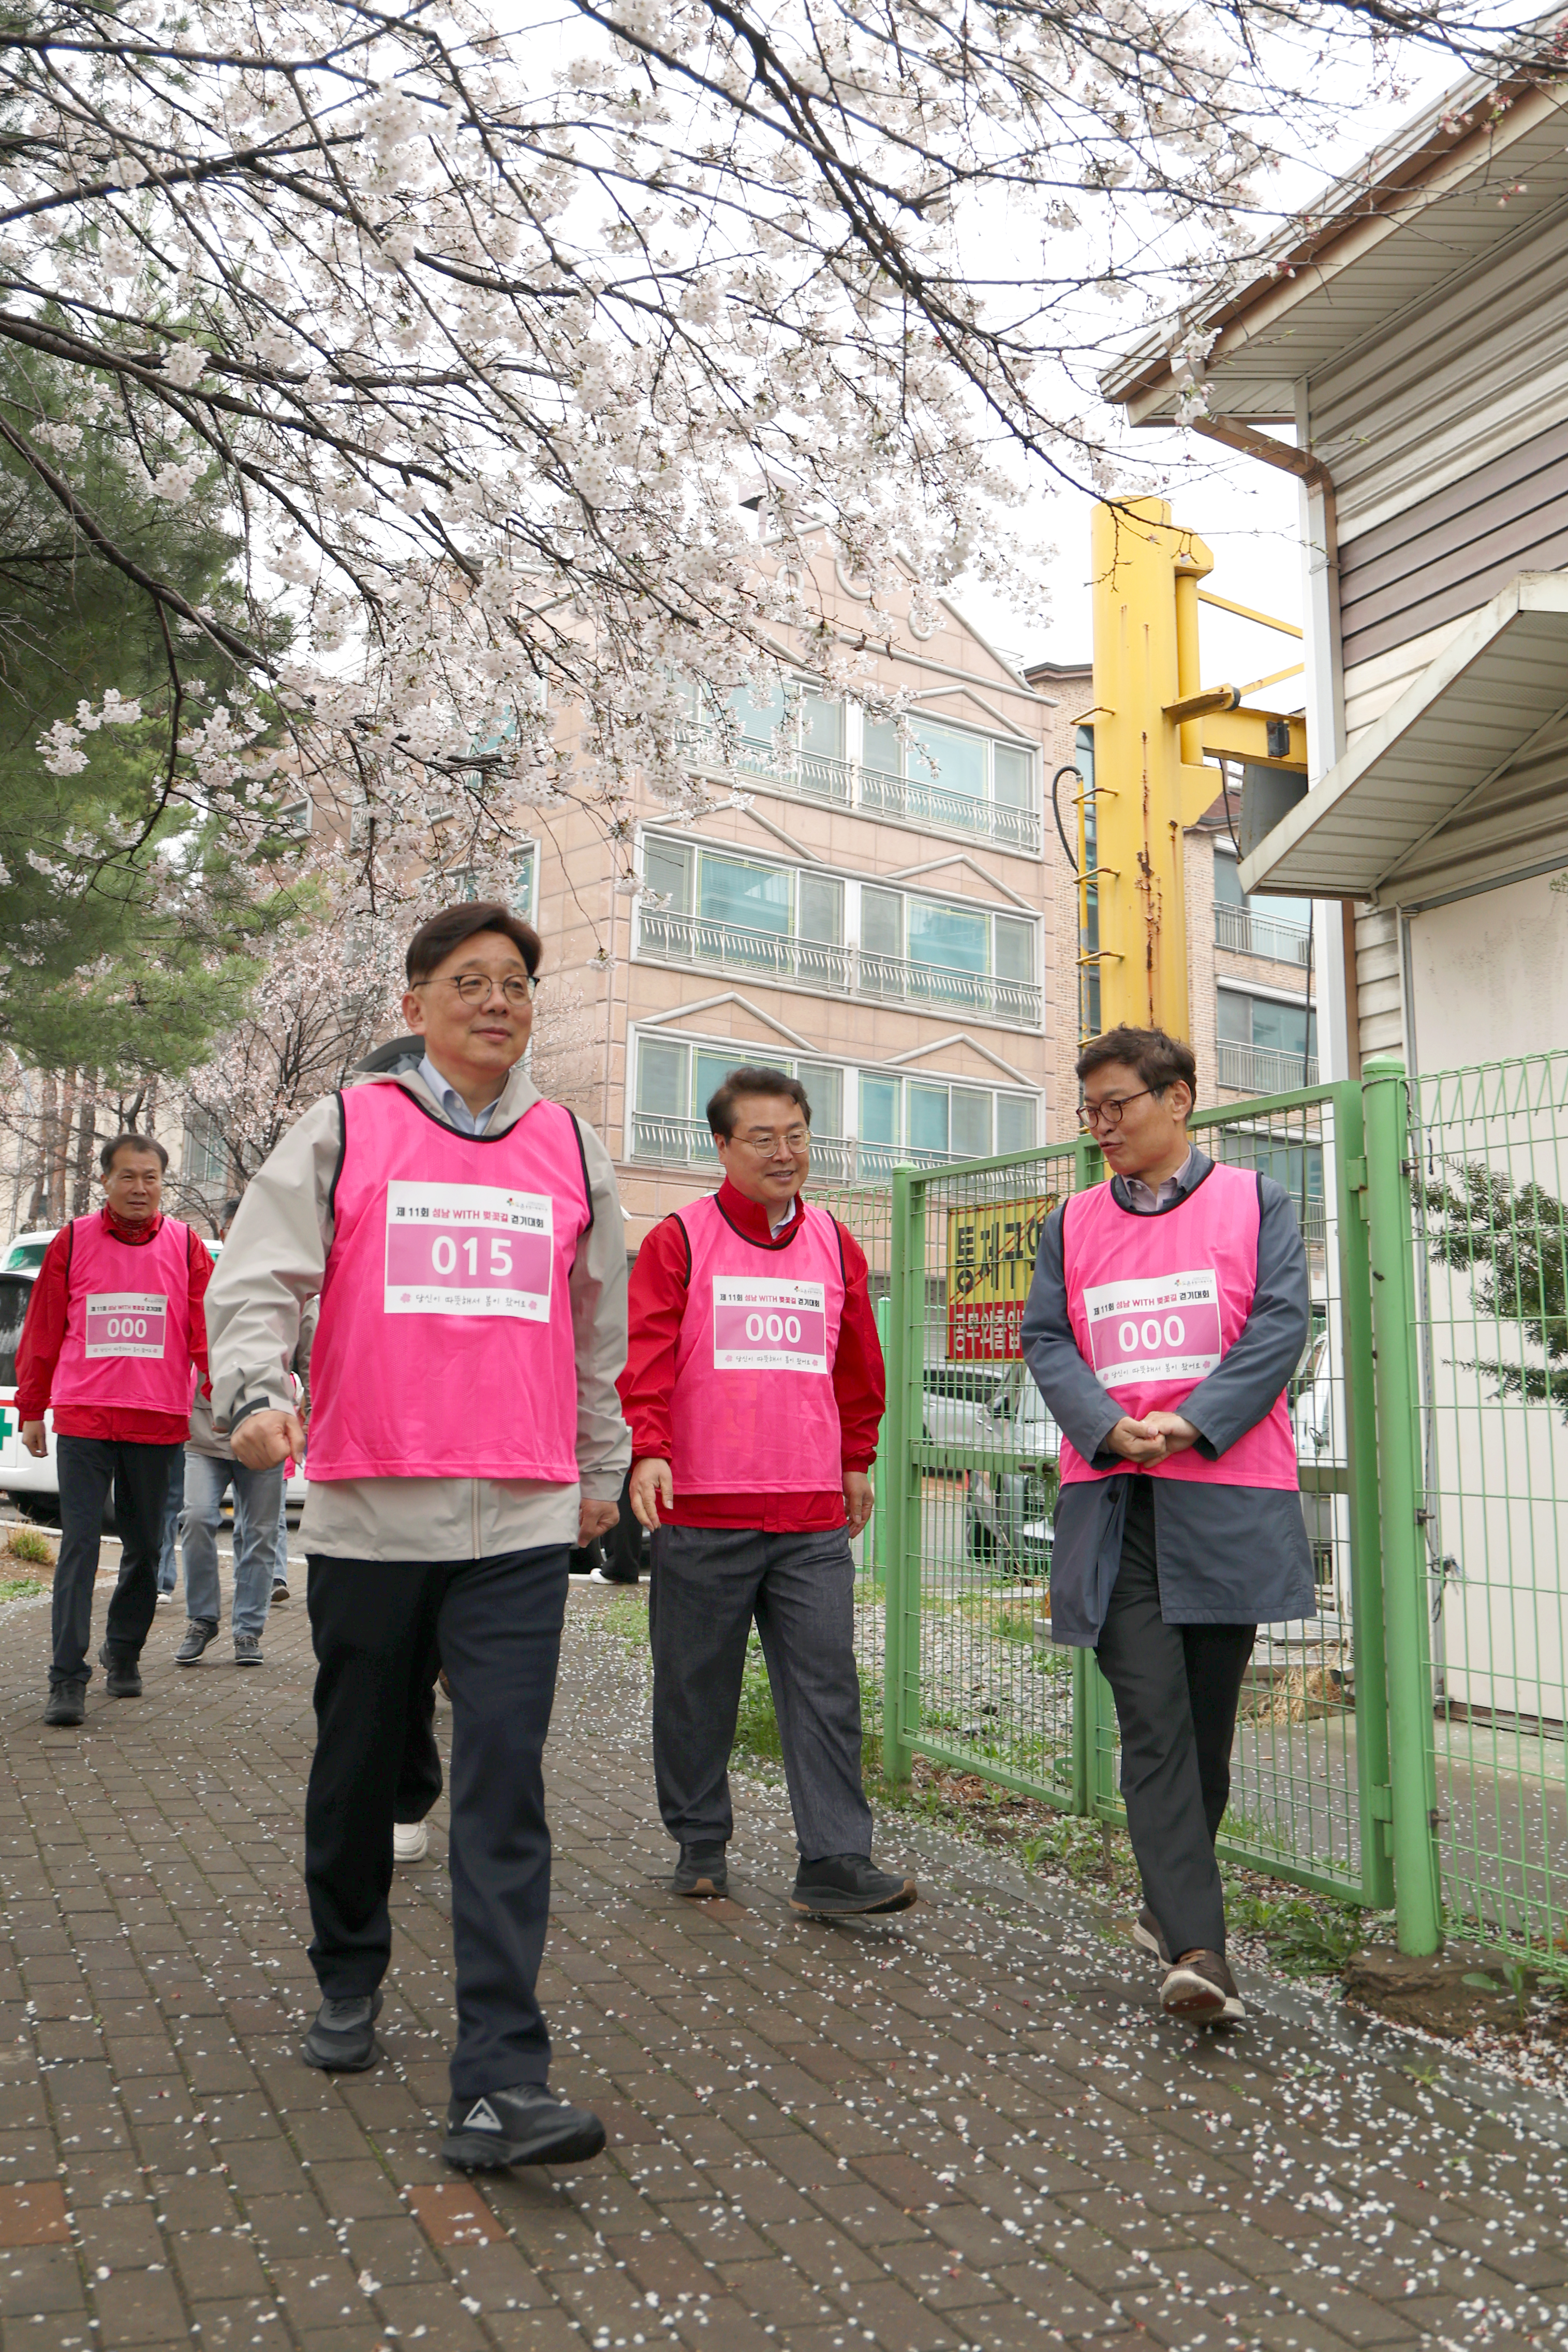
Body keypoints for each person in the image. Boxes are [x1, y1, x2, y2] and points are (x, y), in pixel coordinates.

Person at [205, 902, 629, 2171]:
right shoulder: (348, 1124)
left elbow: (595, 1325)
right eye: (466, 981)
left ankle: (501, 2075)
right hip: (369, 1513)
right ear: (415, 1005)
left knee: (503, 1786)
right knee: (360, 1759)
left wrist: (600, 1463)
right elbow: (258, 1275)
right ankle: (349, 1962)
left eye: (513, 984)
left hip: (515, 1517)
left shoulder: (571, 1146)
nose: (493, 1001)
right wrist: (257, 1390)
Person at [1020, 1026, 1313, 2024]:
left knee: (1205, 1732)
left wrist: (1194, 1421)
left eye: (1119, 1106)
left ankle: (1169, 1907)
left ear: (1178, 1100)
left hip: (1224, 1496)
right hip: (1113, 1501)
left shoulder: (1256, 1202)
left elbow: (1281, 1320)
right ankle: (1198, 1950)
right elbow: (1048, 1337)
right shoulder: (1071, 1222)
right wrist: (1107, 1426)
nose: (1101, 1127)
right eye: (1089, 1110)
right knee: (1151, 1720)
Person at [621, 1063, 913, 1917]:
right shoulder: (680, 1239)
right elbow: (646, 1355)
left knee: (827, 1687)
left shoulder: (834, 1241)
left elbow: (860, 1362)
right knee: (693, 1683)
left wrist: (857, 1458)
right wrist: (650, 1447)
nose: (785, 1154)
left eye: (797, 1136)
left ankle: (834, 1859)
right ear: (722, 1146)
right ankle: (701, 1842)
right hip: (705, 1507)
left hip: (811, 1512)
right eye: (763, 1139)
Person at [16, 1134, 211, 1726]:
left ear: (162, 1184)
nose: (140, 1189)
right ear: (105, 1181)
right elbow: (44, 1328)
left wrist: (219, 1390)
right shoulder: (73, 1242)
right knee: (78, 1545)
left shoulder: (185, 1246)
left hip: (156, 1421)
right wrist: (32, 1408)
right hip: (85, 1415)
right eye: (128, 1177)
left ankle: (122, 1651)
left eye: (150, 1178)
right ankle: (66, 1677)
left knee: (146, 1548)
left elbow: (205, 1326)